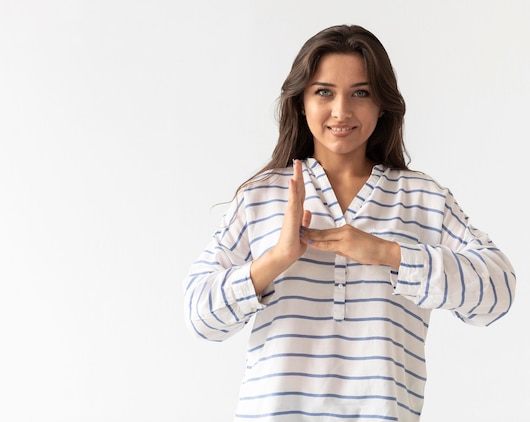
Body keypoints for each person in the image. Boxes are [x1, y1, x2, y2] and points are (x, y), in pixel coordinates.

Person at [182, 24, 516, 421]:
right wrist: (276, 259)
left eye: (361, 93)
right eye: (324, 92)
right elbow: (200, 316)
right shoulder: (262, 195)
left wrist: (387, 253)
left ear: (382, 105)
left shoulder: (423, 197)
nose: (341, 111)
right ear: (301, 101)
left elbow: (498, 293)